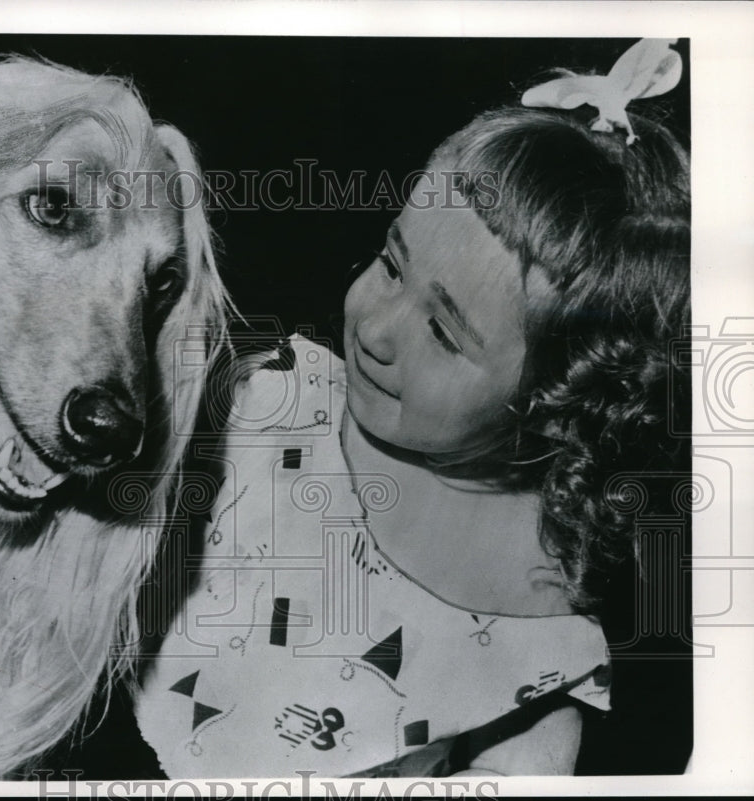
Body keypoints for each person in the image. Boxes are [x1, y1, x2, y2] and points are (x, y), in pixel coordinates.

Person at [134, 40, 690, 778]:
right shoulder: (267, 404)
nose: (375, 325)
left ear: (555, 402)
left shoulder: (537, 635)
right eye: (392, 263)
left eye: (441, 329)